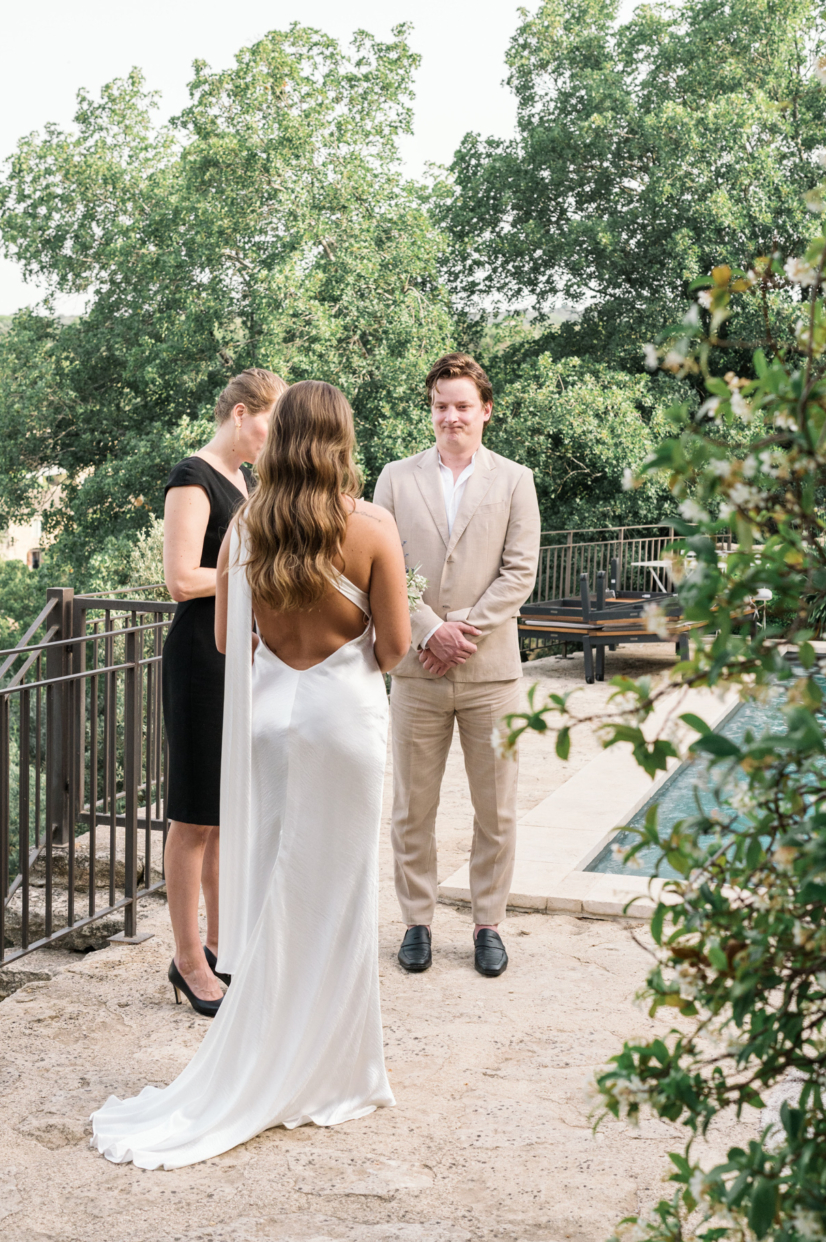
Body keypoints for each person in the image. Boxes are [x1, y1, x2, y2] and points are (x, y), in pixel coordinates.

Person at [92, 380, 411, 1169]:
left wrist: (288, 667)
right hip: (342, 718)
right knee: (337, 891)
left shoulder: (246, 528)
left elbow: (234, 646)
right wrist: (345, 661)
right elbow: (397, 646)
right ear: (339, 438)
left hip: (272, 722)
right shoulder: (370, 525)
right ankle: (330, 1067)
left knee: (272, 880)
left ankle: (263, 1047)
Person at [372, 352, 540, 979]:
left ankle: (488, 923)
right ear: (431, 409)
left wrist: (461, 629)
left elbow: (520, 571)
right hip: (416, 671)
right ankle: (416, 920)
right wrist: (428, 630)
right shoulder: (394, 478)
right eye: (441, 405)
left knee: (495, 808)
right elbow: (378, 567)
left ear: (485, 411)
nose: (451, 416)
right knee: (413, 805)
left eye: (463, 405)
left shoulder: (515, 479)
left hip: (490, 673)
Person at [161, 367, 286, 1016]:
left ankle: (218, 944)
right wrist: (258, 567)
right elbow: (182, 578)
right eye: (269, 422)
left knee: (222, 815)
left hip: (236, 654)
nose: (274, 437)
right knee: (192, 816)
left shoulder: (245, 480)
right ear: (241, 414)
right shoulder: (192, 476)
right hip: (198, 658)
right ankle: (186, 961)